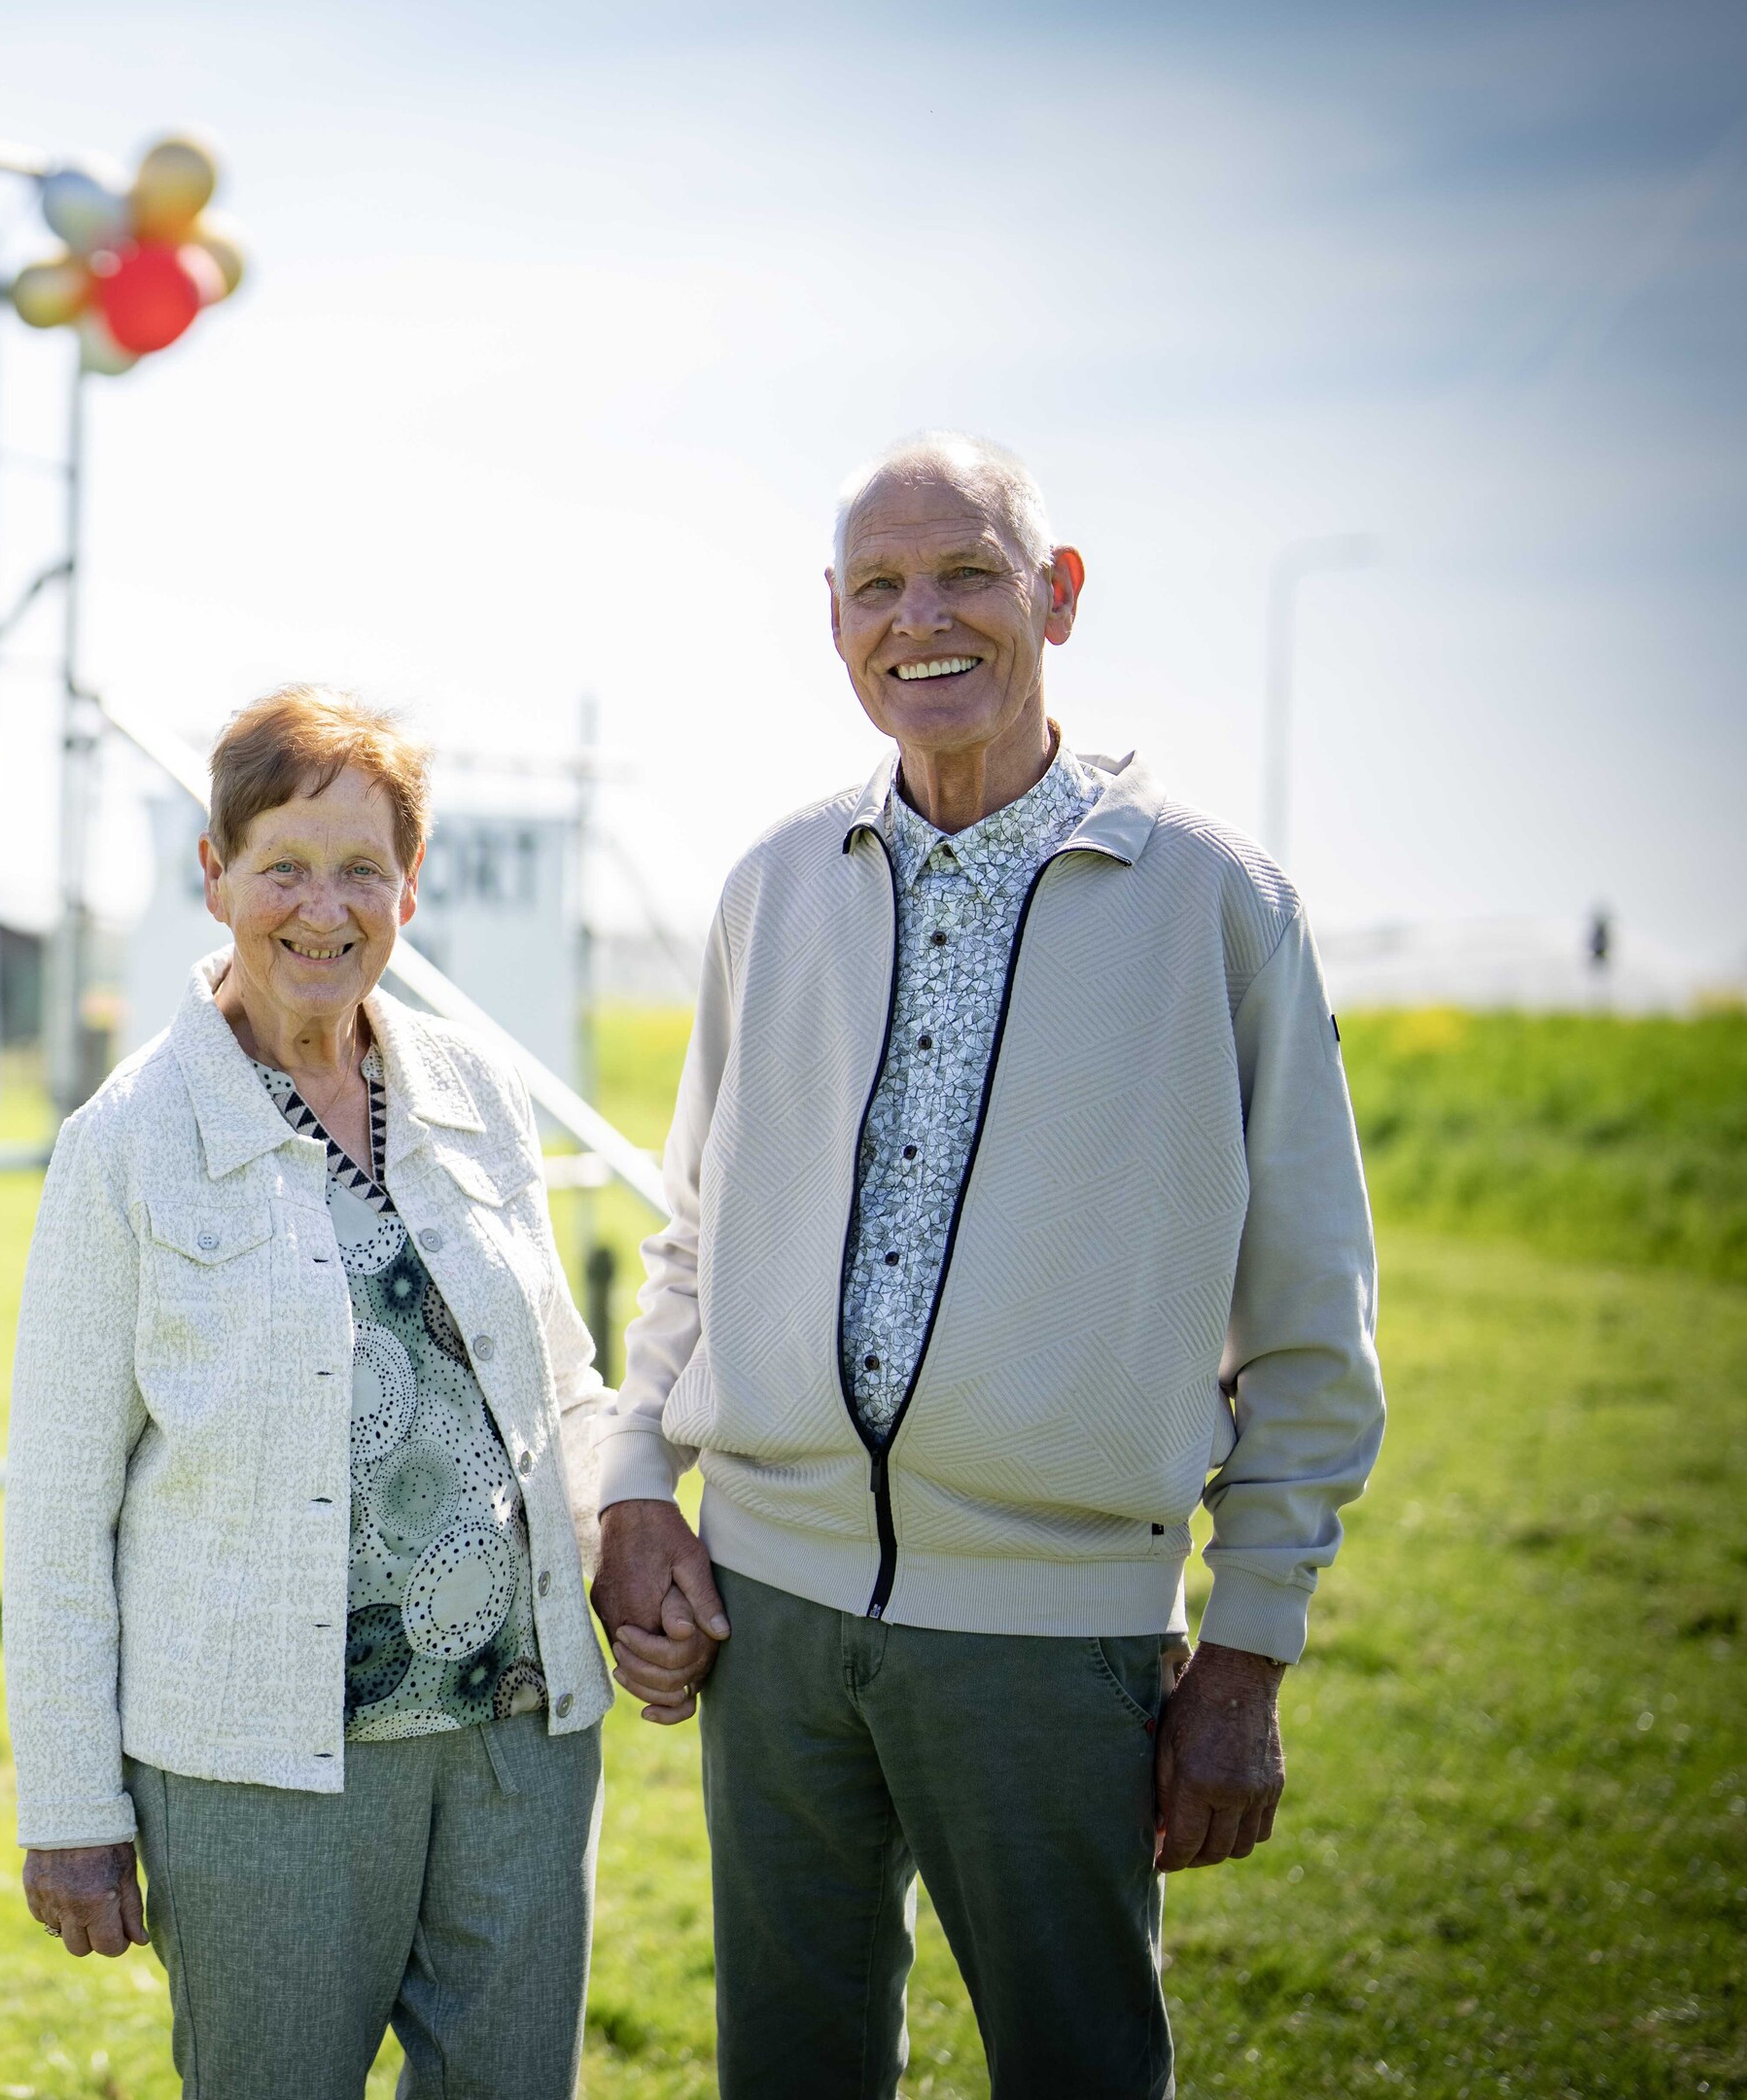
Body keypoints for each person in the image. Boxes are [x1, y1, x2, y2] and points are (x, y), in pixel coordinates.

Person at [585, 434, 1388, 2098]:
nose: (921, 620)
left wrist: (1249, 1648)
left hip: (1056, 1642)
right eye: (879, 587)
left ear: (1058, 597)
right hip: (772, 1625)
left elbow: (1313, 1323)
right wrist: (639, 1483)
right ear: (833, 617)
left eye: (968, 574)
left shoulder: (1221, 906)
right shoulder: (770, 885)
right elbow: (694, 1234)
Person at [7, 688, 681, 2099]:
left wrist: (625, 1538)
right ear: (216, 877)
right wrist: (71, 1807)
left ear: (408, 892)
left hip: (518, 1739)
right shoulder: (126, 1141)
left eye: (363, 870)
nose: (324, 910)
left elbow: (557, 1379)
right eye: (285, 869)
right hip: (259, 1773)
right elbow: (59, 1509)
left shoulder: (478, 1087)